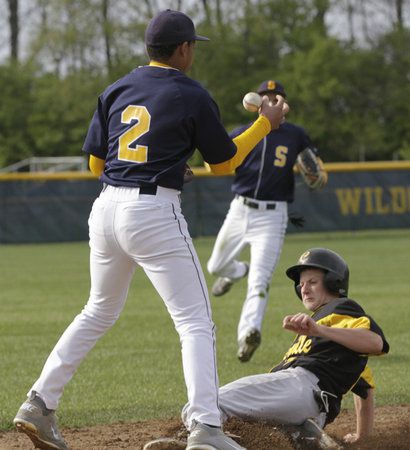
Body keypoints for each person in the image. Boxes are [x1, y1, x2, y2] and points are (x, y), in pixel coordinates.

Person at [13, 9, 287, 450]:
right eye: (193, 45)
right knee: (195, 322)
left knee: (98, 310)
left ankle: (39, 403)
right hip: (152, 212)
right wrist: (264, 125)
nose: (193, 51)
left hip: (105, 209)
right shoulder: (190, 92)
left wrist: (171, 167)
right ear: (182, 49)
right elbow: (225, 163)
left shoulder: (117, 87)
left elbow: (96, 164)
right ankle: (206, 427)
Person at [184, 248, 390, 447]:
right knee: (253, 431)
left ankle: (199, 441)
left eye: (312, 282)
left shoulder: (340, 307)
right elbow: (365, 387)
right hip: (310, 407)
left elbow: (375, 343)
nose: (304, 289)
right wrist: (363, 436)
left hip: (301, 386)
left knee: (205, 407)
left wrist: (320, 330)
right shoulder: (331, 338)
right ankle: (301, 434)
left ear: (333, 282)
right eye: (301, 284)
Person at [207, 79, 327, 362]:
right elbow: (218, 160)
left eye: (277, 97)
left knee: (260, 282)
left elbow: (313, 167)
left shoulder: (296, 135)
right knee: (215, 265)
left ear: (285, 105)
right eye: (266, 96)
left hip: (273, 217)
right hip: (240, 209)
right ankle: (237, 271)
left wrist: (314, 171)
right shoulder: (243, 132)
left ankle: (248, 334)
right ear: (257, 103)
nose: (272, 100)